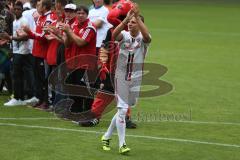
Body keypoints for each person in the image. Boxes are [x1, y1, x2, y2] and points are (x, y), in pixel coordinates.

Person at [101, 3, 151, 154]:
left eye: (133, 22)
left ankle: (106, 136)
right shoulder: (124, 35)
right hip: (121, 76)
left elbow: (147, 37)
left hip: (136, 78)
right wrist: (125, 20)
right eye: (129, 22)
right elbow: (114, 35)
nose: (130, 24)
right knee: (122, 110)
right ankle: (122, 144)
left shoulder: (144, 39)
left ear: (140, 24)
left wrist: (137, 16)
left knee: (125, 108)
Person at [3, 1, 32, 106]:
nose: (16, 11)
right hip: (16, 51)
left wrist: (10, 37)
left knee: (16, 75)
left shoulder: (23, 21)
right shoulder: (15, 21)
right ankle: (19, 97)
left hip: (22, 52)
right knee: (17, 75)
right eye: (15, 9)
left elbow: (25, 37)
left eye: (18, 9)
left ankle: (17, 97)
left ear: (22, 10)